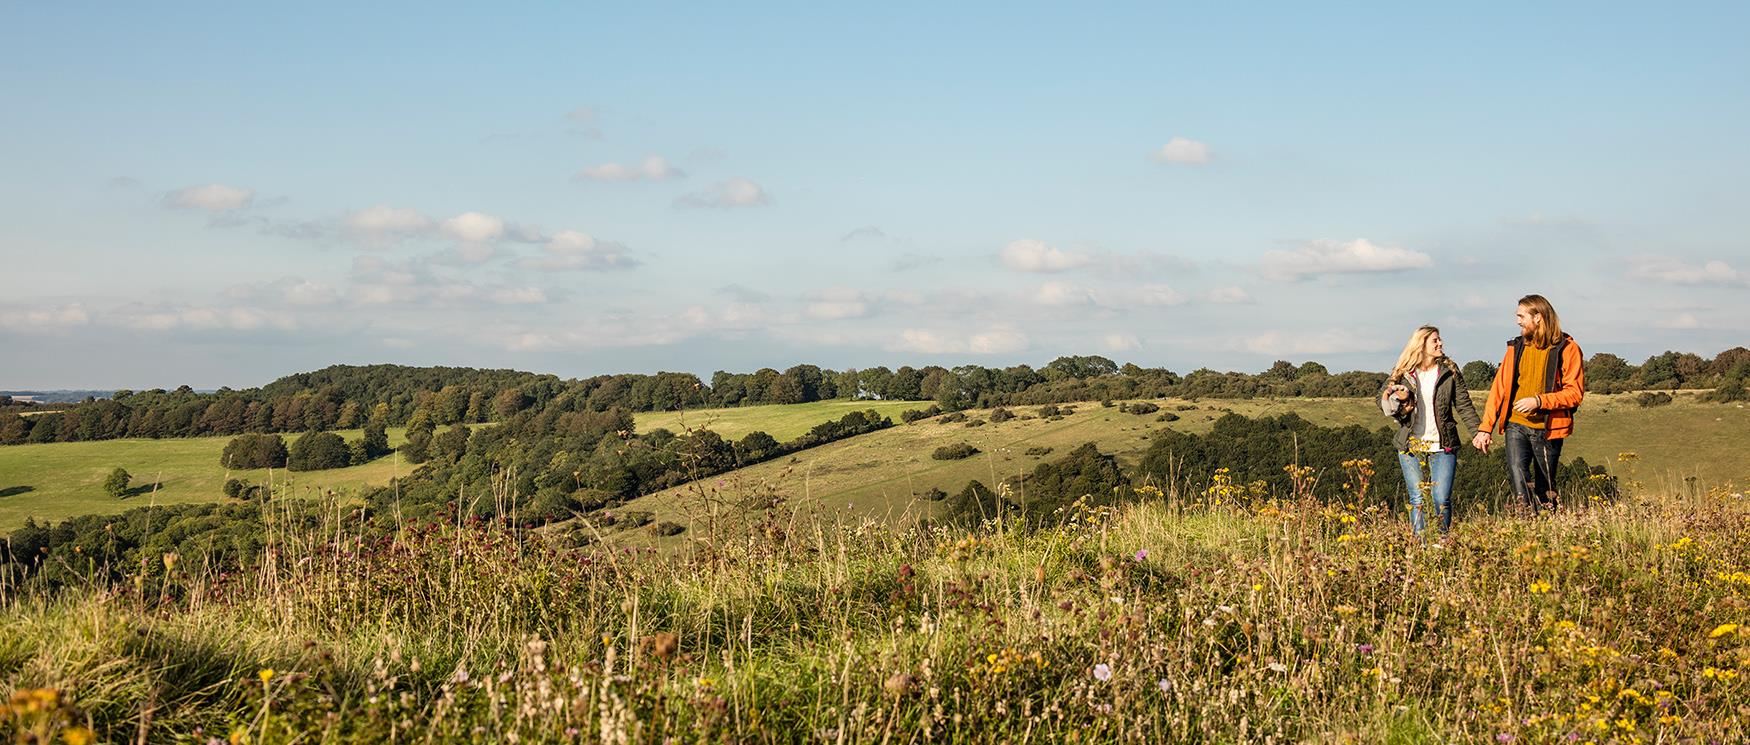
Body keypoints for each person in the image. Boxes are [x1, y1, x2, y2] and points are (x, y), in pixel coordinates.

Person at [1475, 294, 1586, 514]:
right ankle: (1526, 524)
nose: (1517, 321)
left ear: (1539, 318)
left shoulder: (1568, 348)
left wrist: (1539, 401)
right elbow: (1499, 388)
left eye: (1521, 316)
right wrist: (1485, 428)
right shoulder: (1516, 348)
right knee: (1519, 478)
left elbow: (1575, 393)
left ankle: (1548, 531)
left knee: (1545, 489)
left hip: (1548, 429)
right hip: (1516, 425)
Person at [1379, 325, 1482, 537]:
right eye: (1435, 340)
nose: (1440, 343)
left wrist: (1479, 432)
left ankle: (1441, 541)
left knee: (1440, 498)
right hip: (1411, 445)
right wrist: (1399, 400)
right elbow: (1381, 400)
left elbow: (1463, 404)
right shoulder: (1404, 373)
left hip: (1443, 443)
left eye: (1439, 339)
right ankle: (1420, 546)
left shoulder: (1450, 371)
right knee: (1417, 499)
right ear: (1422, 345)